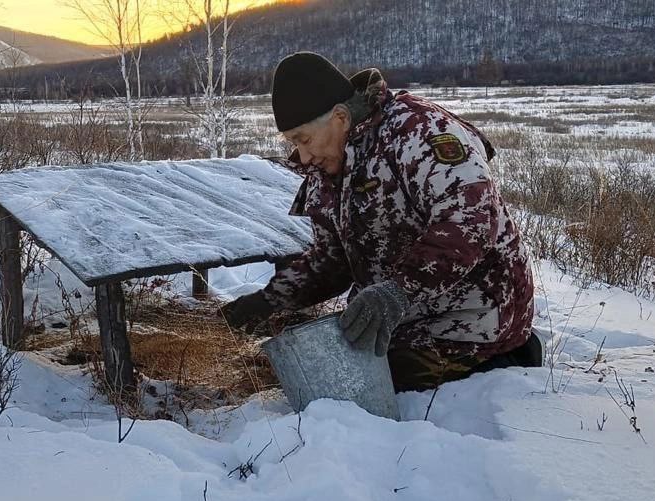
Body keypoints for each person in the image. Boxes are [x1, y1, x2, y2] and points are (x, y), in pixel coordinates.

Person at [221, 52, 540, 393]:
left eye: (303, 139)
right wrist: (267, 302)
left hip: (474, 320)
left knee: (359, 389)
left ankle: (508, 359)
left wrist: (397, 292)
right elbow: (333, 262)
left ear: (340, 117)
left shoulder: (419, 132)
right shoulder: (330, 165)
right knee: (317, 375)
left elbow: (471, 221)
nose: (302, 156)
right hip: (402, 322)